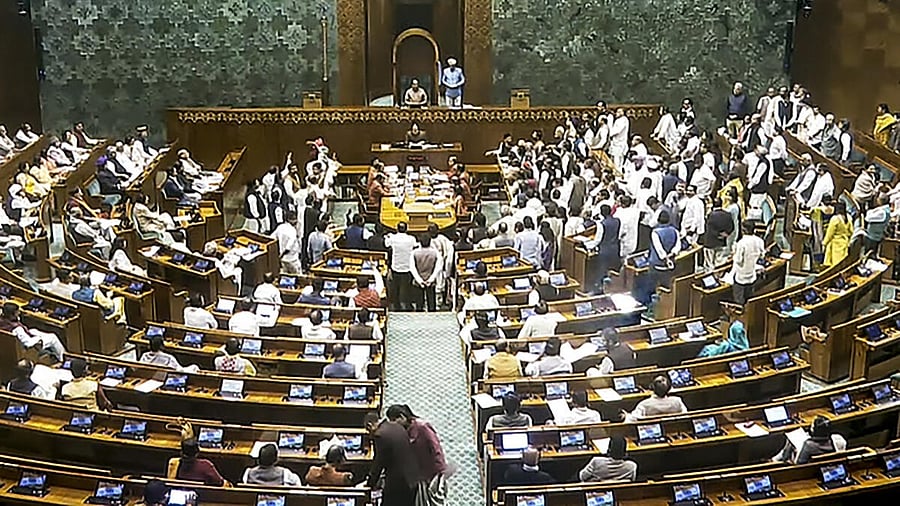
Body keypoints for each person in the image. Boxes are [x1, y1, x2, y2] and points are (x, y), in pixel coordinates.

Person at [386, 405, 449, 506]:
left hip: (433, 472)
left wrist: (440, 470)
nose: (393, 424)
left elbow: (436, 447)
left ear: (402, 417)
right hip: (420, 475)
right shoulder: (403, 431)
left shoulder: (422, 426)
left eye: (394, 420)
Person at [364, 412, 419, 506]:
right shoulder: (396, 426)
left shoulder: (380, 435)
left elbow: (379, 463)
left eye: (369, 431)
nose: (370, 435)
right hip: (413, 478)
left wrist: (370, 483)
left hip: (398, 484)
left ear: (370, 425)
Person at [0, 302, 66, 362]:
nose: (19, 313)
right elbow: (28, 343)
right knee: (53, 337)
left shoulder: (3, 320)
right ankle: (63, 359)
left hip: (11, 343)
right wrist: (38, 338)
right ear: (12, 314)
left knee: (34, 330)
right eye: (17, 312)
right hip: (27, 348)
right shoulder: (17, 329)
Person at [771, 415, 847, 464]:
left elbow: (799, 464)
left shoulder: (808, 445)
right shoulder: (838, 439)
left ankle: (775, 461)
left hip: (809, 470)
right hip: (830, 464)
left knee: (791, 442)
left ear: (814, 430)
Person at [385, 222, 418, 310]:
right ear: (407, 229)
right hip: (407, 267)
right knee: (407, 287)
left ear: (397, 229)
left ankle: (396, 305)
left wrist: (388, 236)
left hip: (396, 266)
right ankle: (408, 305)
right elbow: (416, 245)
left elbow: (386, 244)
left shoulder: (393, 238)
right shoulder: (411, 239)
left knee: (396, 287)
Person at [731, 221, 765, 305]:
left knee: (739, 300)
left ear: (743, 230)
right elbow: (762, 255)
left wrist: (734, 254)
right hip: (752, 274)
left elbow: (738, 260)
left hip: (741, 276)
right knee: (749, 299)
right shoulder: (759, 241)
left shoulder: (741, 243)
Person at [411, 234, 441, 312]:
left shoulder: (414, 253)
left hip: (418, 281)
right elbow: (438, 267)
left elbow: (412, 268)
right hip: (431, 281)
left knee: (419, 304)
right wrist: (431, 279)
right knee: (431, 303)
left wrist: (419, 280)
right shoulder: (435, 253)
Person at [703, 198, 735, 271]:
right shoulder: (728, 214)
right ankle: (718, 276)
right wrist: (725, 234)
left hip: (710, 243)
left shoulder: (710, 215)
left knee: (709, 265)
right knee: (719, 263)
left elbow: (709, 229)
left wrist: (718, 234)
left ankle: (710, 278)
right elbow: (732, 227)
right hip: (722, 241)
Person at [823, 201, 852, 267]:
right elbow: (851, 232)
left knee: (835, 264)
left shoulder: (835, 219)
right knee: (842, 263)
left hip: (835, 244)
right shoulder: (849, 218)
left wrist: (824, 243)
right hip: (845, 243)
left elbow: (830, 233)